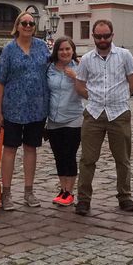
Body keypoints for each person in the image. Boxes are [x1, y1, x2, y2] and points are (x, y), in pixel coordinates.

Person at [73, 19, 133, 216]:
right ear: (93, 37)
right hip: (93, 114)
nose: (102, 39)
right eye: (98, 36)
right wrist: (93, 97)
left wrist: (119, 98)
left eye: (106, 36)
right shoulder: (86, 59)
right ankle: (83, 200)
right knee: (87, 159)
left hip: (119, 113)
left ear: (112, 35)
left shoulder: (124, 56)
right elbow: (79, 85)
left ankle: (125, 196)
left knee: (122, 158)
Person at [0, 11, 50, 211]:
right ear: (17, 26)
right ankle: (6, 193)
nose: (28, 26)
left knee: (30, 149)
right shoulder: (9, 50)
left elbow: (53, 70)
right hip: (13, 109)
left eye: (31, 23)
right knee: (9, 150)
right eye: (24, 23)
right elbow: (0, 81)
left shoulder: (42, 47)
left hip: (37, 108)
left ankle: (29, 191)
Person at [45, 36, 84, 207]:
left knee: (69, 155)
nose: (65, 52)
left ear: (73, 51)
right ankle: (62, 189)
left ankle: (70, 191)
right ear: (56, 52)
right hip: (53, 119)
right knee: (59, 156)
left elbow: (87, 90)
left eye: (68, 49)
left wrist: (76, 77)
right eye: (61, 49)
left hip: (73, 118)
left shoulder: (80, 68)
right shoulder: (50, 69)